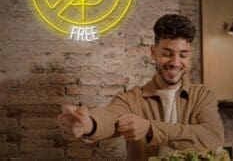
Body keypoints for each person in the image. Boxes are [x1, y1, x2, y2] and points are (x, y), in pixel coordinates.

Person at [58, 14, 224, 161]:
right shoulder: (132, 99)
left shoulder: (203, 96)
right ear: (153, 52)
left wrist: (151, 129)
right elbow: (109, 118)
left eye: (183, 55)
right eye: (167, 53)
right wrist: (88, 125)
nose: (175, 62)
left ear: (190, 56)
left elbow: (212, 138)